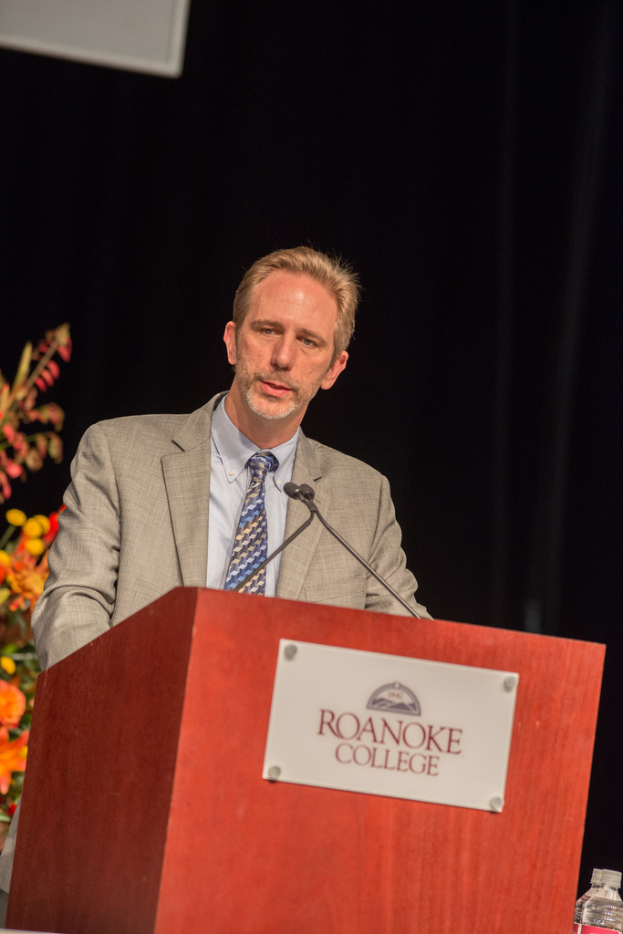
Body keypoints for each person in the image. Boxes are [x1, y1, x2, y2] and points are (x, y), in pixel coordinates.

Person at [0, 246, 429, 908]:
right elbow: (70, 609)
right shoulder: (120, 453)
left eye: (308, 341)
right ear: (233, 340)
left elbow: (408, 642)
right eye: (267, 331)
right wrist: (155, 714)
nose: (283, 359)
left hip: (281, 840)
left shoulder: (358, 497)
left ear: (334, 367)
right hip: (111, 806)